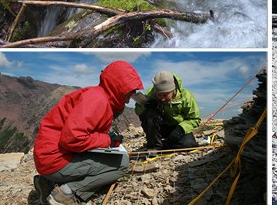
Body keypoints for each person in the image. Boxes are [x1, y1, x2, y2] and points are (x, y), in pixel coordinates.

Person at [33, 60, 144, 205]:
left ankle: (47, 183)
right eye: (130, 89)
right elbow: (72, 139)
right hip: (55, 160)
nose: (132, 94)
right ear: (119, 87)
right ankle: (66, 194)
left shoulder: (98, 95)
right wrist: (106, 141)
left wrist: (107, 138)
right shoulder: (98, 100)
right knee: (122, 163)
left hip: (48, 155)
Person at [135, 70, 201, 150]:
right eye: (159, 95)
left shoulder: (186, 96)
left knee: (188, 144)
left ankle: (164, 145)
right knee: (149, 114)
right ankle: (154, 146)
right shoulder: (150, 93)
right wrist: (146, 106)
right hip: (160, 127)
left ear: (173, 90)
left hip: (178, 129)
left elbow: (194, 119)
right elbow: (138, 111)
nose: (162, 99)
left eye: (165, 95)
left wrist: (180, 129)